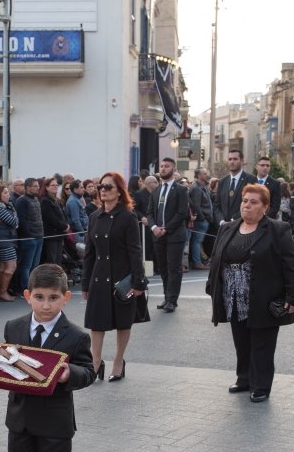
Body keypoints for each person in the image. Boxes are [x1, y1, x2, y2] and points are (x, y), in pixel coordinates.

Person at [3, 263, 96, 452]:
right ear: (27, 295)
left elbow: (89, 370)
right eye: (40, 297)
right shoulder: (14, 327)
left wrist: (71, 375)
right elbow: (7, 360)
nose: (46, 305)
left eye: (53, 298)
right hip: (20, 416)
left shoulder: (76, 336)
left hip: (55, 420)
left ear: (66, 298)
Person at [206, 184, 294, 403]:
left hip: (264, 296)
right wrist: (212, 286)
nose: (247, 206)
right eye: (245, 201)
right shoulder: (228, 228)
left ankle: (261, 385)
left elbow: (292, 264)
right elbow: (216, 258)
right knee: (241, 340)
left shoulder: (278, 229)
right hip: (233, 295)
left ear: (265, 207)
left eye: (254, 202)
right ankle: (244, 378)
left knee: (262, 343)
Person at [81, 172, 147, 382]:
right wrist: (85, 282)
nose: (103, 190)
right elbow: (89, 253)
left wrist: (139, 282)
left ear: (119, 191)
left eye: (108, 187)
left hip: (122, 278)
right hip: (99, 277)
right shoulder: (94, 217)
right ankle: (96, 361)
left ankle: (119, 361)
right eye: (101, 186)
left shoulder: (128, 217)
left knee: (123, 322)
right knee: (96, 322)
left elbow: (135, 252)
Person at [148, 157, 189, 313]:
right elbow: (150, 212)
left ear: (174, 169)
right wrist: (153, 227)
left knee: (174, 268)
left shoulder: (180, 190)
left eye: (167, 166)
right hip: (158, 236)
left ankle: (173, 299)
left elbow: (182, 213)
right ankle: (166, 296)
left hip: (174, 235)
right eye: (162, 166)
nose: (163, 168)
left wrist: (166, 228)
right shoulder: (156, 190)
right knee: (163, 268)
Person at [14, 178, 45, 292]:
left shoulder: (36, 199)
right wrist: (29, 235)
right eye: (35, 186)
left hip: (39, 236)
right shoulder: (22, 200)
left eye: (38, 186)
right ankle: (25, 288)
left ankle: (33, 286)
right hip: (29, 237)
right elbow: (21, 220)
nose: (37, 188)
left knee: (35, 265)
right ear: (27, 187)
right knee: (27, 265)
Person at [39, 176, 68, 266]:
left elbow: (63, 215)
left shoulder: (56, 200)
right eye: (52, 185)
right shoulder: (45, 201)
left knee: (58, 261)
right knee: (52, 261)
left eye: (56, 185)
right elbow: (51, 218)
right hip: (51, 235)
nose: (55, 186)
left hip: (59, 234)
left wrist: (66, 225)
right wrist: (64, 226)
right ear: (46, 187)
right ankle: (51, 280)